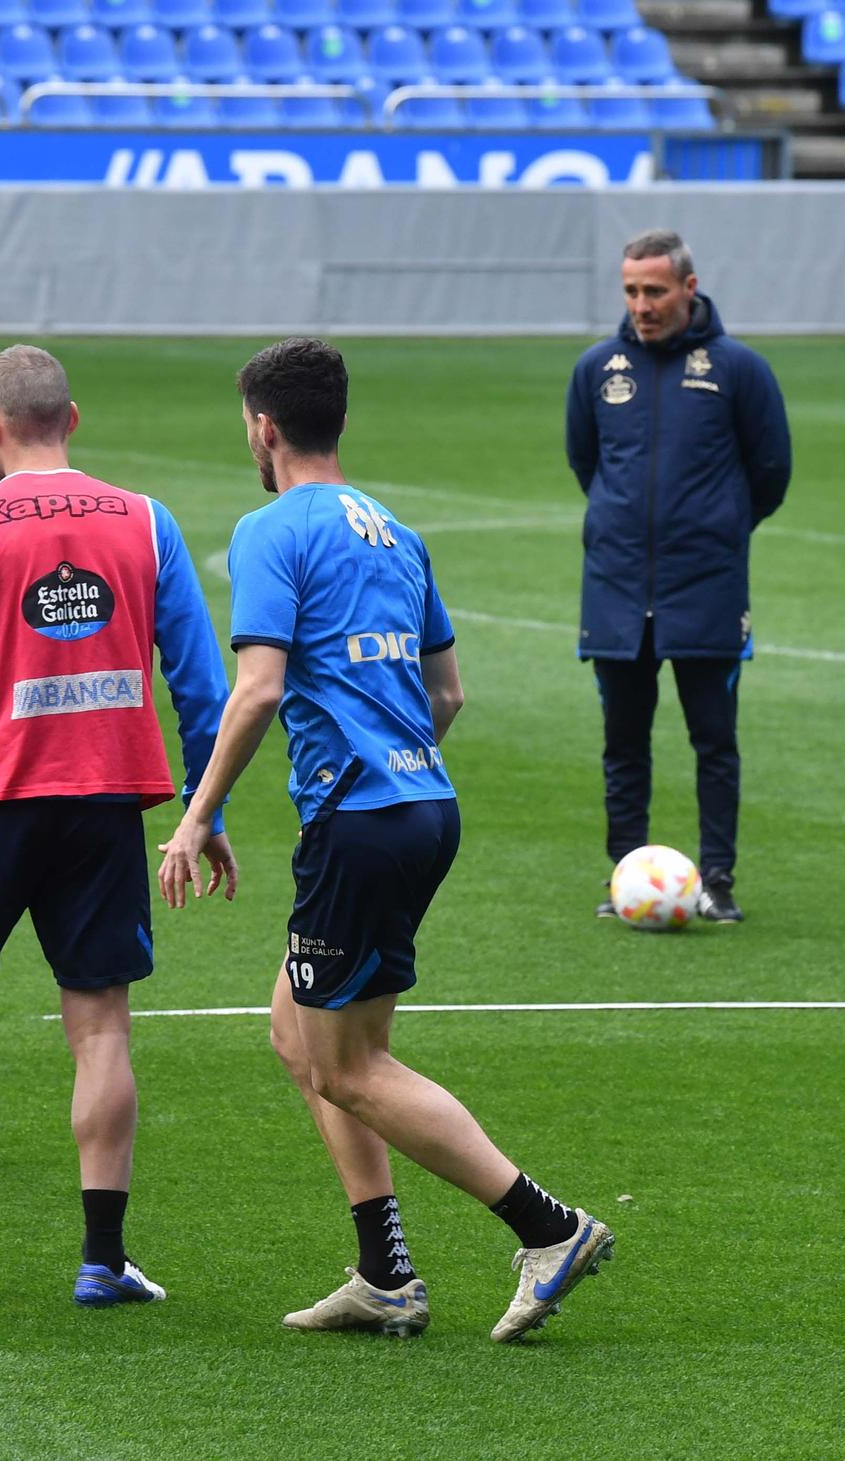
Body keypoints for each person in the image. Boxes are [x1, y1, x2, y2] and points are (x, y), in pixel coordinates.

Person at [159, 337, 614, 1343]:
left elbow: (259, 687)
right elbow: (445, 690)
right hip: (420, 805)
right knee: (297, 1033)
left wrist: (197, 816)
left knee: (350, 1067)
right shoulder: (393, 532)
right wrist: (396, 760)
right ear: (339, 424)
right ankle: (384, 1276)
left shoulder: (270, 529)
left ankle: (546, 1229)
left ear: (263, 429)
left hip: (359, 820)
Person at [0, 345, 232, 1305]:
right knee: (100, 1025)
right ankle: (102, 1260)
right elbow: (201, 683)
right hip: (108, 804)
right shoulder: (146, 520)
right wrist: (205, 806)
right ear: (73, 417)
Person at [568, 230, 792, 924]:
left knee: (714, 741)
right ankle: (625, 874)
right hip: (615, 588)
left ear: (688, 290)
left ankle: (717, 878)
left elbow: (771, 471)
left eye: (655, 291)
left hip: (707, 589)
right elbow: (587, 463)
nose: (642, 304)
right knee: (622, 743)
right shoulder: (597, 369)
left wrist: (717, 528)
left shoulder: (738, 369)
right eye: (632, 291)